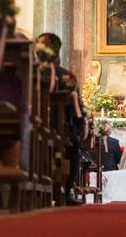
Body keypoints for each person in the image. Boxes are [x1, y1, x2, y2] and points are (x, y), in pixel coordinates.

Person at [37, 32, 86, 206]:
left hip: (34, 126)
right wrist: (81, 130)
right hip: (59, 131)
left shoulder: (30, 71)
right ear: (58, 52)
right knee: (72, 148)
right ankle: (65, 188)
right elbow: (78, 110)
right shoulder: (67, 77)